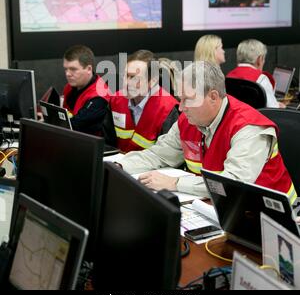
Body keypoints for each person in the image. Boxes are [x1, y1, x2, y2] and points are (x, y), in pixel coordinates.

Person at [116, 61, 296, 202]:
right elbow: (158, 155)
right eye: (180, 98)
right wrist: (119, 167)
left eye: (188, 99)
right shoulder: (188, 119)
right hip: (218, 206)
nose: (181, 107)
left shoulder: (248, 128)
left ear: (213, 97)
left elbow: (232, 184)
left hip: (273, 217)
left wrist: (175, 183)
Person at [110, 50, 179, 153]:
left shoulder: (168, 109)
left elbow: (167, 156)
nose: (126, 83)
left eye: (134, 77)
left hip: (151, 167)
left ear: (153, 81)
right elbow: (107, 143)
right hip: (116, 165)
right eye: (125, 76)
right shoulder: (115, 101)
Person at [63, 44, 111, 136]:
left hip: (88, 144)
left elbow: (74, 125)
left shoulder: (99, 97)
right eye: (66, 69)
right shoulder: (69, 87)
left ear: (89, 69)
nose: (68, 74)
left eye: (73, 69)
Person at [226, 39, 285, 108]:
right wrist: (279, 106)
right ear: (259, 59)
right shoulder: (261, 79)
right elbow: (272, 109)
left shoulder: (228, 77)